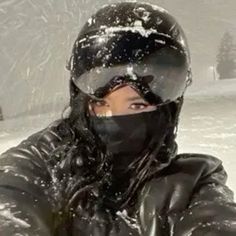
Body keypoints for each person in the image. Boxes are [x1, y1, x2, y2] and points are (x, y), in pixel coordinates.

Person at [0, 2, 236, 235]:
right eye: (101, 104)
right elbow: (10, 201)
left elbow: (214, 221)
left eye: (137, 105)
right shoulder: (43, 164)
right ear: (82, 102)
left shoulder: (190, 185)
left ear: (167, 112)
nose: (116, 119)